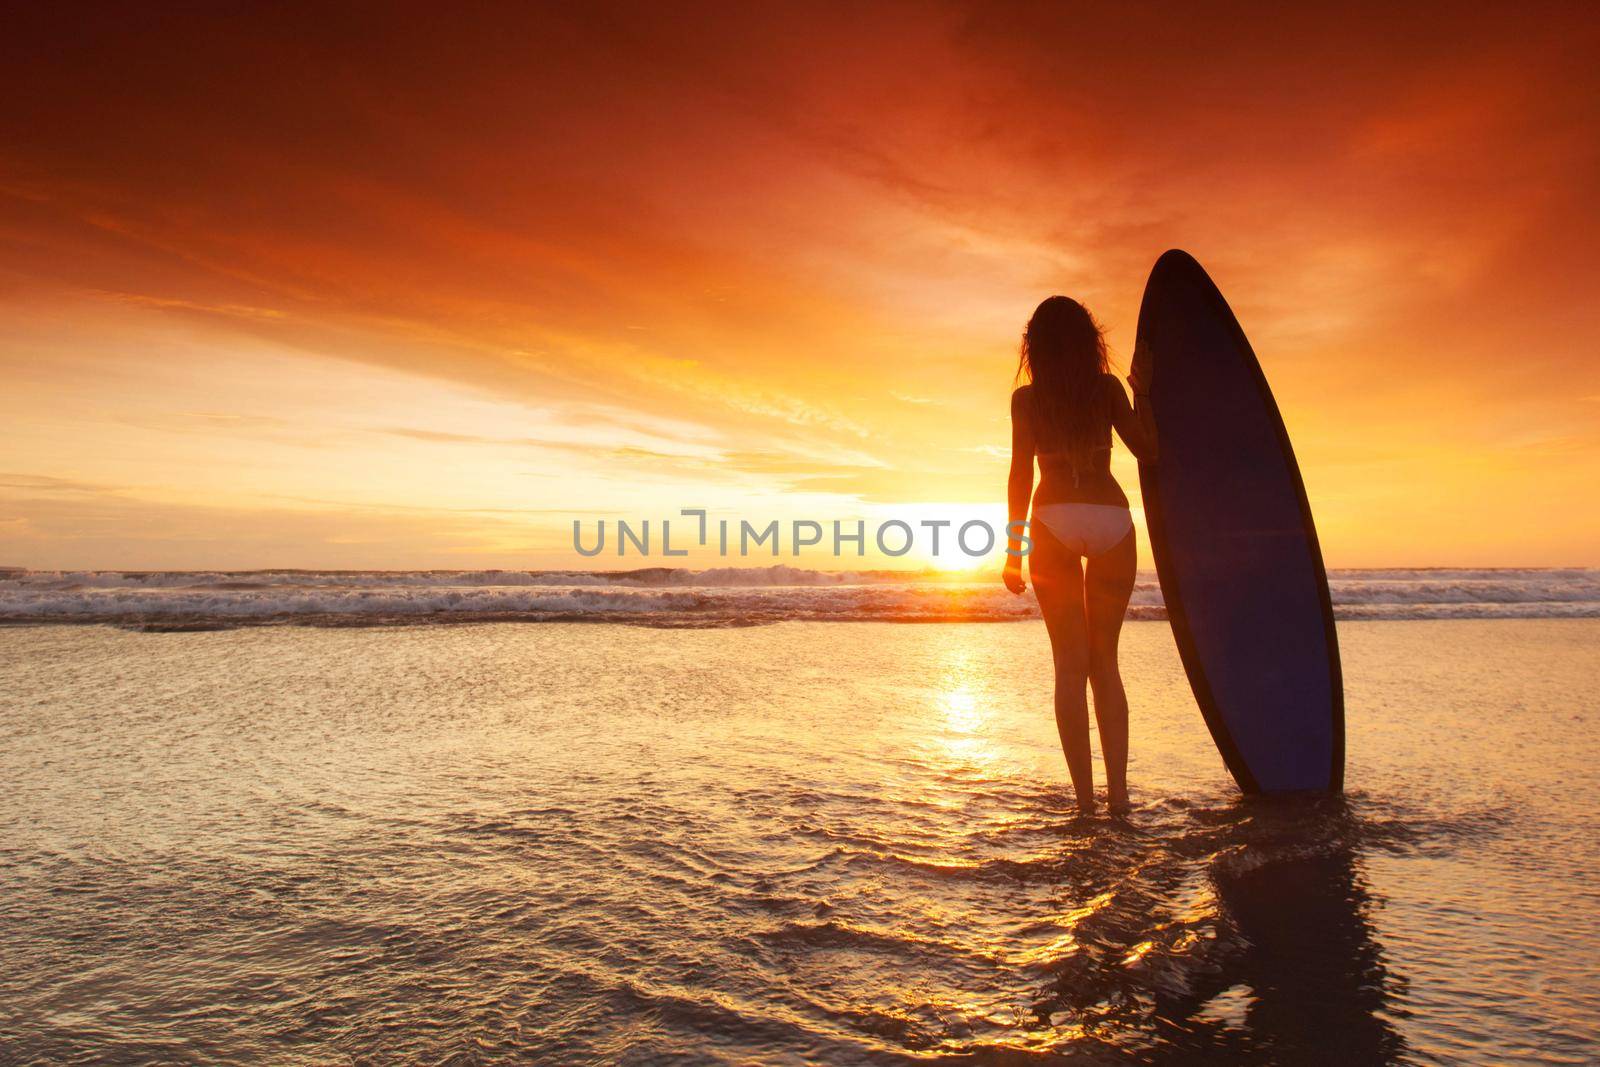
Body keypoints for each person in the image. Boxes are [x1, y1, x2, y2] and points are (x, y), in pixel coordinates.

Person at [1003, 296, 1156, 814]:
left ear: (1035, 346)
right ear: (1090, 341)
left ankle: (1086, 804)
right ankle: (1119, 799)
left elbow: (1021, 472)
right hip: (1111, 520)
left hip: (1052, 520)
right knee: (1105, 664)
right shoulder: (1106, 389)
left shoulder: (1027, 400)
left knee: (1070, 667)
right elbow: (1149, 450)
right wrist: (1144, 395)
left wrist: (1012, 549)